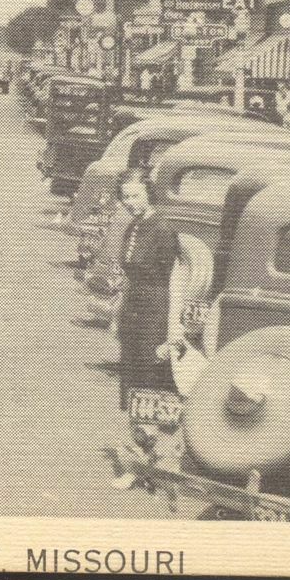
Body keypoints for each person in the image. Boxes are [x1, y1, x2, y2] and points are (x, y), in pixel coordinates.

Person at [114, 172, 181, 408]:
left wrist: (172, 332)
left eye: (135, 196)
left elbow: (174, 280)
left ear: (148, 194)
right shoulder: (134, 225)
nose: (129, 202)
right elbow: (129, 274)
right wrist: (117, 315)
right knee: (132, 373)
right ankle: (139, 437)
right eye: (125, 197)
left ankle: (150, 437)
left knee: (150, 373)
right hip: (133, 308)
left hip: (155, 310)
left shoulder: (163, 229)